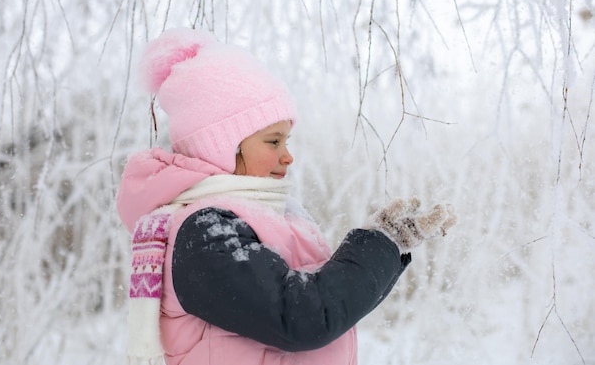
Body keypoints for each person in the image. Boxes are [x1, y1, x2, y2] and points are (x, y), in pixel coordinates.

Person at [116, 27, 457, 365]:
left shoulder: (274, 217)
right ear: (222, 146)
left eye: (287, 141)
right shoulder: (203, 231)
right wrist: (378, 245)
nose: (287, 156)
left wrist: (390, 244)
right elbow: (302, 317)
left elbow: (327, 305)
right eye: (273, 141)